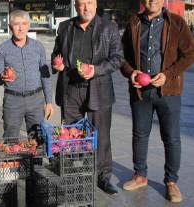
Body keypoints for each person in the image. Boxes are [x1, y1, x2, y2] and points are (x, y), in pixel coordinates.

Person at [121, 0, 194, 202]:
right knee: (140, 135)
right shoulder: (134, 22)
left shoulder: (177, 22)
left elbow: (189, 54)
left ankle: (171, 182)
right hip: (140, 92)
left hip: (168, 91)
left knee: (171, 138)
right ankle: (140, 175)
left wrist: (168, 74)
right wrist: (130, 72)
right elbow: (122, 56)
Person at [51, 0, 123, 195]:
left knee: (101, 135)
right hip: (71, 89)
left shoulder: (109, 27)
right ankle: (74, 172)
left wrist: (96, 70)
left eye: (90, 2)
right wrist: (56, 63)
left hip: (98, 88)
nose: (86, 7)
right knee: (71, 136)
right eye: (82, 4)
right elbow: (56, 53)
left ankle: (103, 176)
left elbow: (117, 59)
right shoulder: (65, 27)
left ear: (96, 3)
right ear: (75, 6)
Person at [0, 10, 54, 138]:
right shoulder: (2, 49)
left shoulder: (38, 47)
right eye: (16, 24)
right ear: (10, 27)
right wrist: (1, 77)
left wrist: (49, 102)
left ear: (29, 26)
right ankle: (13, 159)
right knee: (10, 138)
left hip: (36, 100)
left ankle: (34, 159)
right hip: (13, 101)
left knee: (37, 139)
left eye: (24, 24)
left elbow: (45, 76)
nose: (20, 28)